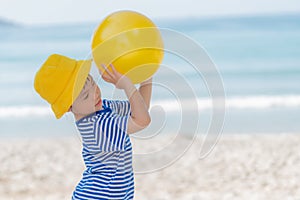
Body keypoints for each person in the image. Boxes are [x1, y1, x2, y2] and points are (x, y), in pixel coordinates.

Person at [34, 54, 152, 199]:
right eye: (85, 96)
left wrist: (147, 77)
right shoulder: (99, 127)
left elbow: (141, 109)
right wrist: (127, 85)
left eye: (92, 83)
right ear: (68, 108)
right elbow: (143, 120)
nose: (95, 93)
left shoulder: (101, 107)